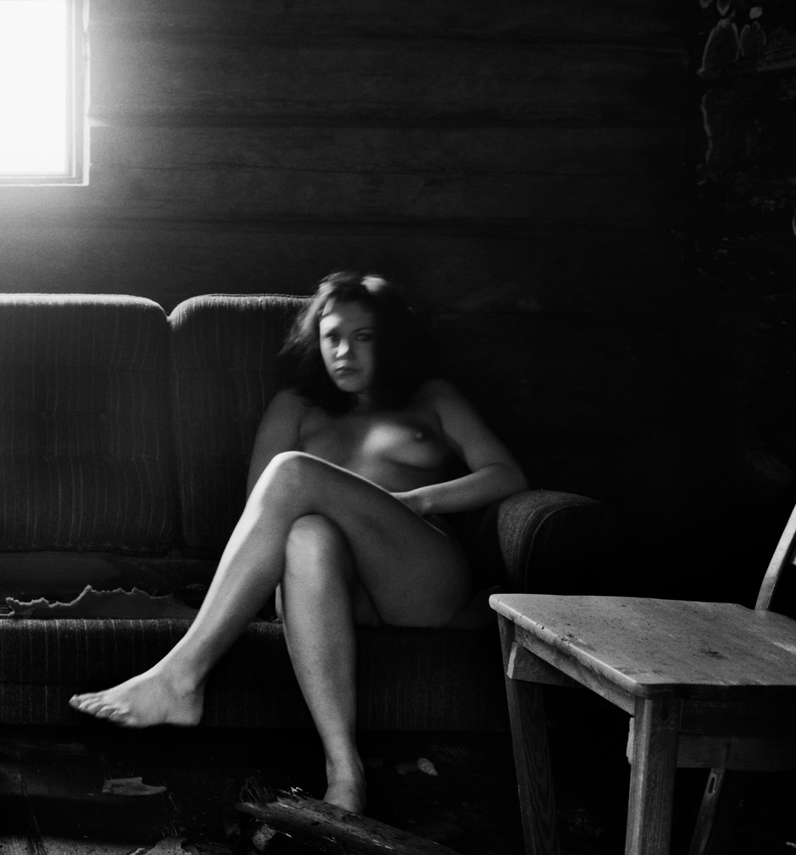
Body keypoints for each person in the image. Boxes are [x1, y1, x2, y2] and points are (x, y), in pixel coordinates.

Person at [69, 271, 526, 812]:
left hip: (416, 575)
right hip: (332, 588)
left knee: (292, 470)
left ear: (392, 339)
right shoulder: (297, 406)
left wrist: (417, 501)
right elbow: (262, 513)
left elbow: (506, 476)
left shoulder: (432, 398)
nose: (344, 352)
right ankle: (345, 774)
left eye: (363, 337)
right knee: (306, 532)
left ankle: (181, 674)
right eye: (332, 337)